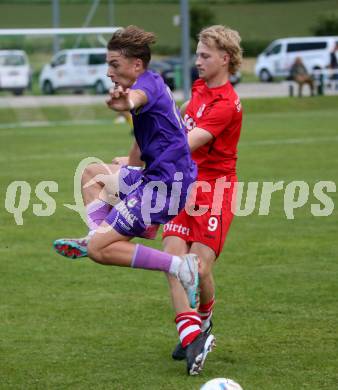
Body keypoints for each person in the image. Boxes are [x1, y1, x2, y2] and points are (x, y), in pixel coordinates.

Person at [53, 26, 206, 373]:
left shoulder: (145, 87)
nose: (109, 71)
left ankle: (180, 266)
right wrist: (128, 169)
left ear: (136, 65)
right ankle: (99, 231)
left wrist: (126, 103)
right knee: (91, 173)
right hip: (158, 179)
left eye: (114, 64)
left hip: (165, 187)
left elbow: (135, 100)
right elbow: (141, 141)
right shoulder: (151, 85)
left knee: (99, 252)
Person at [161, 25, 243, 375]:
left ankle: (204, 320)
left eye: (205, 56)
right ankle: (191, 334)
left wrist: (139, 161)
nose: (198, 61)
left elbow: (185, 144)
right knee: (172, 262)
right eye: (197, 54)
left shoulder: (226, 104)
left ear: (225, 59)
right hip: (184, 186)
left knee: (198, 268)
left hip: (214, 190)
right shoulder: (198, 89)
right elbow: (178, 126)